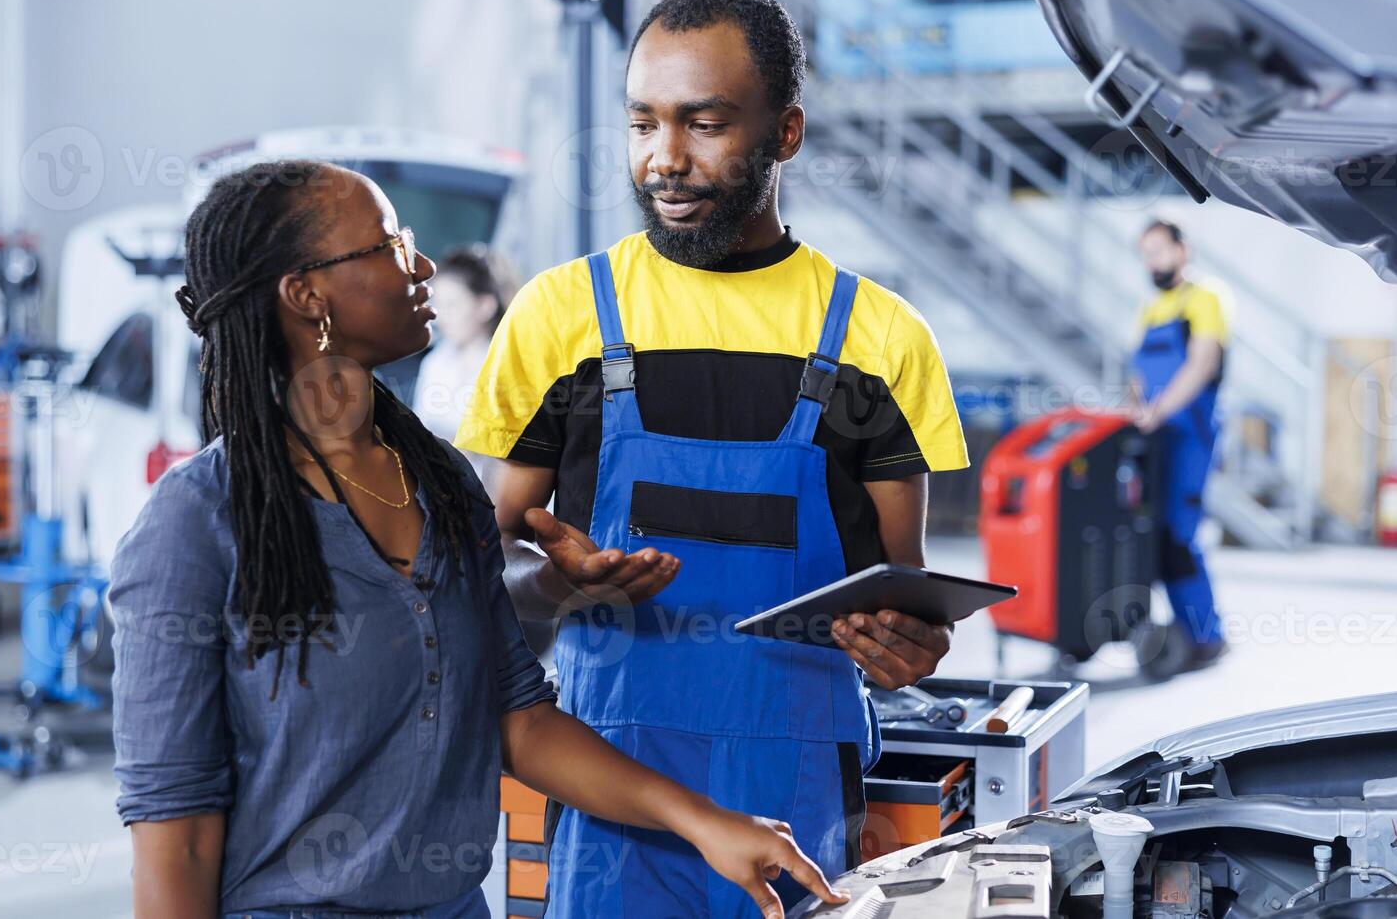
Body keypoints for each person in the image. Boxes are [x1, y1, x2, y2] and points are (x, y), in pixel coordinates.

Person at [108, 159, 850, 919]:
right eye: (391, 245)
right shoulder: (197, 524)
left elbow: (520, 719)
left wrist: (707, 823)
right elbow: (178, 837)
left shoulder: (439, 483)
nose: (423, 264)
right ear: (308, 297)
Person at [454, 0, 969, 917]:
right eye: (643, 123)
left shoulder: (883, 341)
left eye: (705, 124)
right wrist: (564, 584)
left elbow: (905, 599)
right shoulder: (559, 318)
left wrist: (910, 649)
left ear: (786, 133)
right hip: (611, 780)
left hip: (800, 785)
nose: (665, 160)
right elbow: (487, 574)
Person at [1130, 219, 1230, 671]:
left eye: (1160, 250)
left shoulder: (1204, 299)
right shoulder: (1152, 309)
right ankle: (1179, 635)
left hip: (1189, 436)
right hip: (1154, 438)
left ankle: (1207, 638)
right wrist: (1133, 411)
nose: (1153, 261)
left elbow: (1203, 363)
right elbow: (1136, 374)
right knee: (1152, 533)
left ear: (1182, 251)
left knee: (1179, 535)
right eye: (1146, 253)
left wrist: (1160, 410)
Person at [411, 244, 511, 492]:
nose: (440, 317)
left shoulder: (506, 365)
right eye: (439, 305)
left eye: (453, 305)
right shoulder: (435, 362)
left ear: (485, 306)